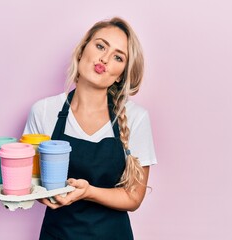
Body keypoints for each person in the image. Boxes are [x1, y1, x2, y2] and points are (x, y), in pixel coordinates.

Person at [23, 17, 157, 240]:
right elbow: (32, 181)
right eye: (100, 45)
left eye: (117, 57)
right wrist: (39, 194)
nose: (104, 58)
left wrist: (88, 192)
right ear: (82, 49)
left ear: (121, 74)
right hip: (58, 235)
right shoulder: (44, 111)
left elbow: (134, 198)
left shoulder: (136, 118)